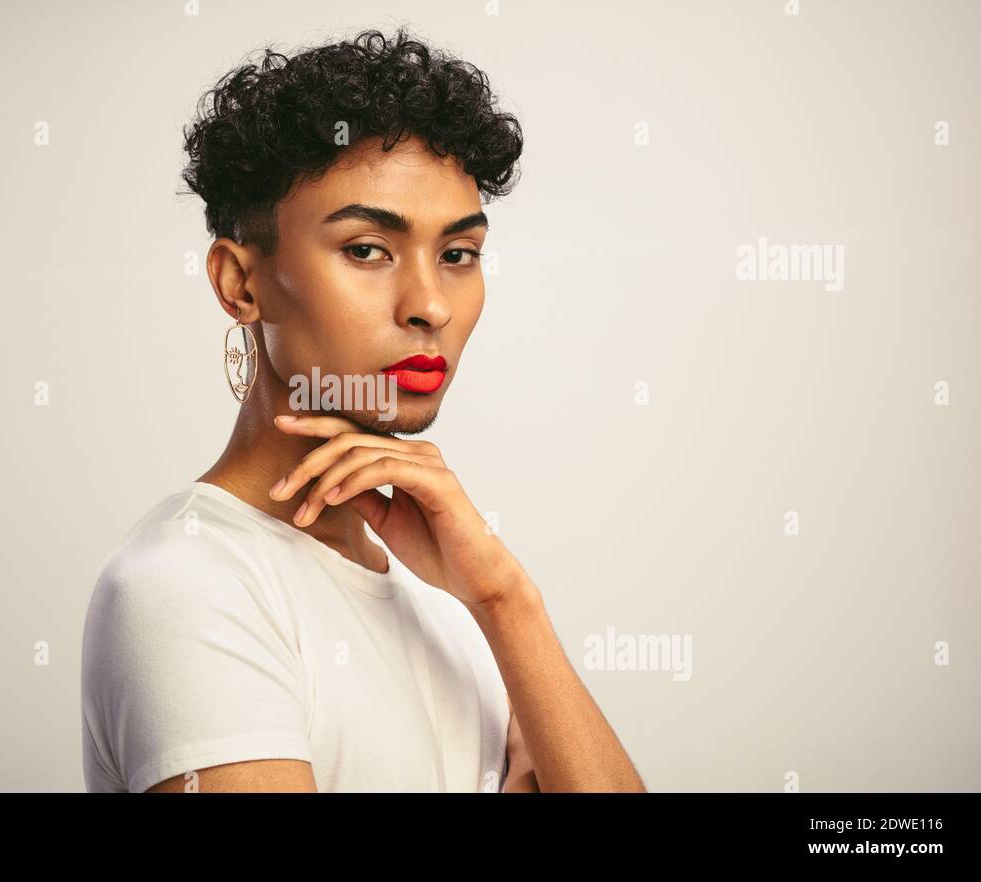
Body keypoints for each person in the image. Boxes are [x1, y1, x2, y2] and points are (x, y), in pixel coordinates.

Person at [81, 27, 645, 793]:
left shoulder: (452, 607)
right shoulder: (188, 584)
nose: (430, 306)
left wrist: (505, 600)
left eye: (458, 255)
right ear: (240, 284)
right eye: (368, 249)